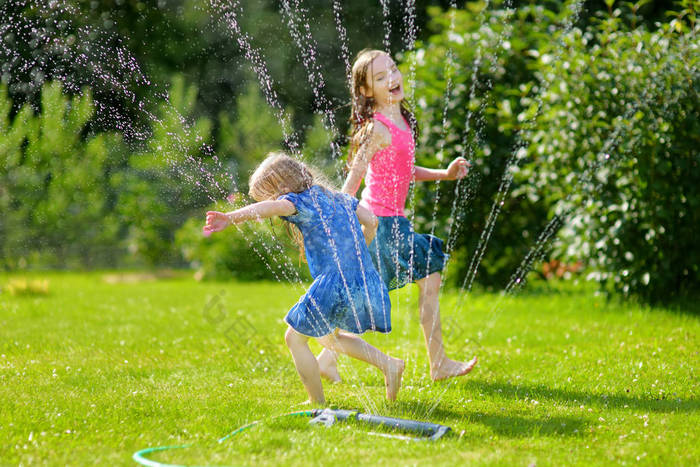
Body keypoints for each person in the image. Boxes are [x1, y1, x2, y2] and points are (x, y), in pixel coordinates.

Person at [317, 49, 477, 382]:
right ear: (365, 91)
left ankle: (327, 357)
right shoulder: (377, 128)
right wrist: (342, 212)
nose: (392, 78)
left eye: (393, 69)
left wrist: (444, 175)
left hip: (393, 225)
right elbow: (356, 172)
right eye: (379, 77)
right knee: (417, 279)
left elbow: (404, 170)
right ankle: (439, 363)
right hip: (381, 226)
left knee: (365, 297)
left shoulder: (403, 121)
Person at [203, 152, 404, 404]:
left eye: (271, 194)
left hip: (334, 282)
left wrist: (231, 218)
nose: (275, 201)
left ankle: (317, 404)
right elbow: (371, 220)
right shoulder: (338, 197)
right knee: (327, 337)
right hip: (363, 278)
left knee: (294, 338)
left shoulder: (297, 201)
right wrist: (359, 248)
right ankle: (389, 364)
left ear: (284, 187)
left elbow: (269, 209)